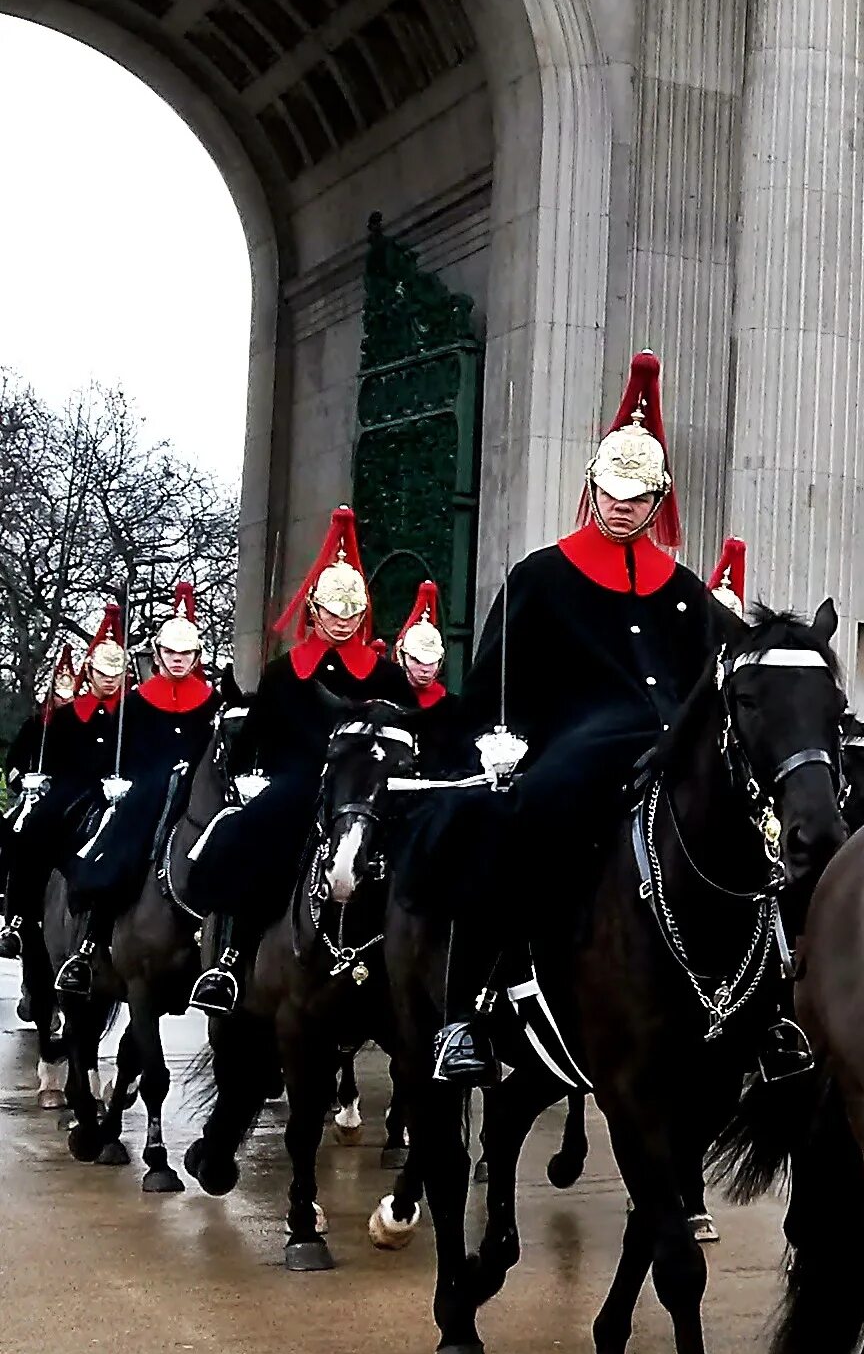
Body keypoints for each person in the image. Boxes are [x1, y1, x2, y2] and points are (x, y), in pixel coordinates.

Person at [405, 350, 758, 1088]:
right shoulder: (541, 577)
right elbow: (494, 681)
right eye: (613, 492)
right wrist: (496, 743)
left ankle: (767, 1006)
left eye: (638, 496)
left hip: (672, 746)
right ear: (592, 488)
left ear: (658, 499)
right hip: (576, 746)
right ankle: (465, 1011)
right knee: (514, 824)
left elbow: (716, 685)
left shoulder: (689, 593)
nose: (623, 507)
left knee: (760, 834)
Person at [186, 508, 417, 1014]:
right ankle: (229, 957)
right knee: (254, 836)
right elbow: (256, 740)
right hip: (299, 781)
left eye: (351, 614)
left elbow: (407, 733)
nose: (342, 622)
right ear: (314, 610)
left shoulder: (386, 677)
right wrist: (251, 777)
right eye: (333, 613)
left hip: (365, 785)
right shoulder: (283, 674)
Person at [56, 584, 221, 997]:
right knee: (119, 845)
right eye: (171, 653)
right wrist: (117, 781)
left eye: (186, 654)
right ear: (159, 655)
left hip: (195, 791)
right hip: (147, 789)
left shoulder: (210, 701)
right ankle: (91, 940)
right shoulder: (138, 701)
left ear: (196, 657)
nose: (178, 660)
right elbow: (116, 752)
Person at [4, 619, 124, 968]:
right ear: (91, 673)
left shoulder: (129, 714)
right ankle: (20, 917)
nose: (109, 680)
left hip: (114, 791)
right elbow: (52, 759)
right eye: (103, 673)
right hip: (72, 788)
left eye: (115, 674)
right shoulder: (69, 715)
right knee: (31, 829)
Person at [1, 644, 84, 962]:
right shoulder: (35, 727)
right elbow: (15, 762)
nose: (64, 697)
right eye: (59, 690)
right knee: (13, 830)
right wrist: (25, 781)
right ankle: (14, 912)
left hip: (66, 793)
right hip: (33, 792)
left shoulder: (77, 726)